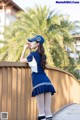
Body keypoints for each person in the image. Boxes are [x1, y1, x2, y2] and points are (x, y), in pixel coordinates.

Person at [20, 35, 56, 120]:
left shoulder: (32, 55)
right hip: (47, 82)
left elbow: (21, 60)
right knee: (48, 111)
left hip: (38, 82)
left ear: (37, 43)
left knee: (41, 112)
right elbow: (33, 59)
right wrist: (30, 49)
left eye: (32, 41)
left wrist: (24, 48)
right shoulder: (43, 55)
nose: (30, 43)